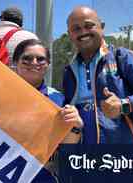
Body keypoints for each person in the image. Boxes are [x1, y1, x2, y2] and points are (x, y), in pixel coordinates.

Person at [63, 6, 133, 144]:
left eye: (88, 25)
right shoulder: (68, 71)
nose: (83, 32)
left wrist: (124, 105)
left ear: (102, 27)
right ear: (70, 34)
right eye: (76, 29)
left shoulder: (123, 57)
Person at [12, 39, 83, 182]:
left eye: (40, 59)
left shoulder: (59, 100)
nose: (34, 62)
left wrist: (75, 127)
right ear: (15, 62)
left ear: (48, 65)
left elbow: (66, 146)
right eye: (26, 58)